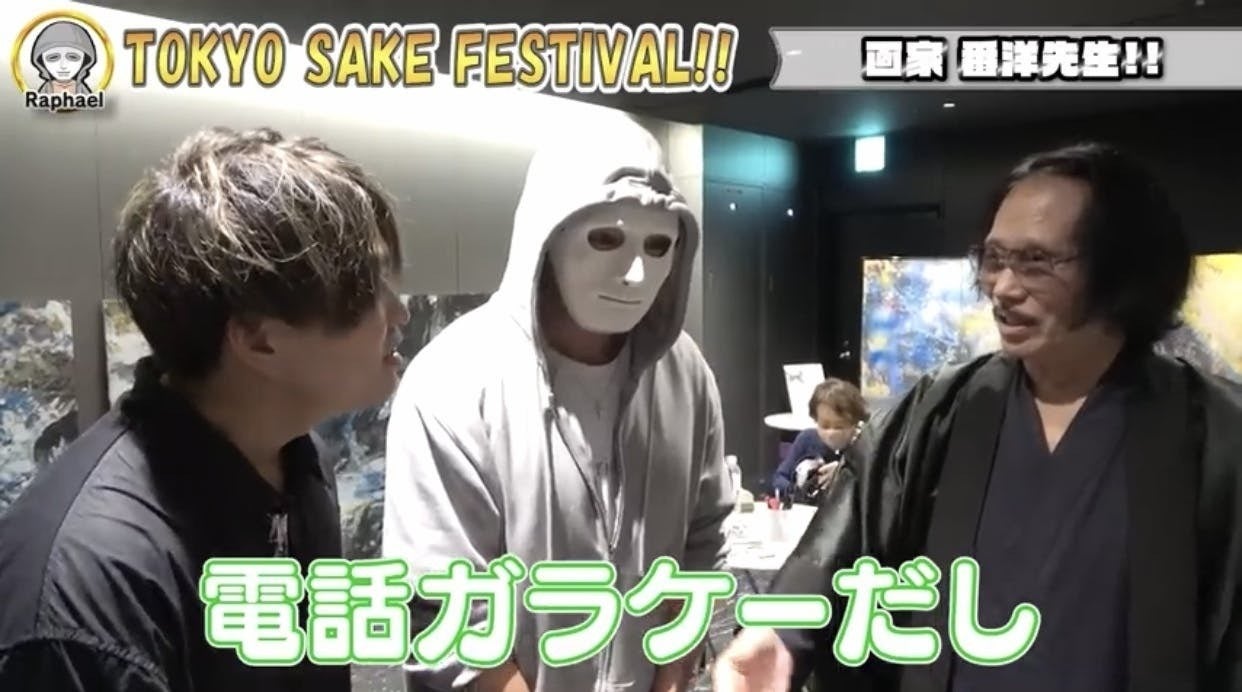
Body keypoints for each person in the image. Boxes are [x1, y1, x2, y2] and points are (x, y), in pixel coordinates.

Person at [715, 142, 1242, 692]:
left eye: (1037, 262)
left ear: (1122, 271)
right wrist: (778, 635)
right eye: (994, 260)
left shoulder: (1215, 436)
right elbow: (839, 546)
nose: (1003, 288)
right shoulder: (938, 413)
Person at [0, 127, 409, 691]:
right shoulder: (89, 594)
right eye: (367, 291)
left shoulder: (297, 460)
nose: (398, 313)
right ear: (258, 339)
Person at [383, 114, 732, 692]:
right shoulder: (453, 381)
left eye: (658, 245)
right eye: (606, 239)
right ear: (548, 232)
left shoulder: (684, 374)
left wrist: (672, 679)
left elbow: (702, 540)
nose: (635, 273)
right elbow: (445, 611)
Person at [770, 377, 868, 503]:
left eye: (839, 427)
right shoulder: (806, 439)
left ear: (855, 424)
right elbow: (779, 477)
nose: (831, 433)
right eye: (825, 426)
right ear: (816, 420)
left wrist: (843, 474)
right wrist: (797, 491)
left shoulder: (863, 446)